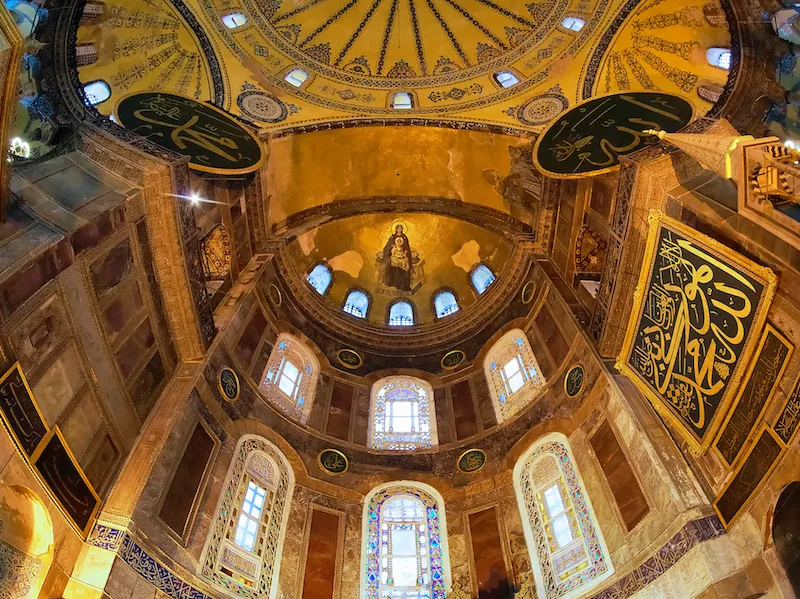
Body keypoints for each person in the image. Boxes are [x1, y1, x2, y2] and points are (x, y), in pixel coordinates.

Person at [380, 224, 412, 291]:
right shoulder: (392, 237)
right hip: (394, 256)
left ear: (402, 229)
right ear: (396, 229)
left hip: (402, 256)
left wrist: (405, 251)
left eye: (401, 228)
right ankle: (392, 282)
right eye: (398, 228)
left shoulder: (404, 237)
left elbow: (407, 247)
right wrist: (392, 247)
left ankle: (403, 285)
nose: (399, 229)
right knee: (390, 262)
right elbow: (388, 246)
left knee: (406, 265)